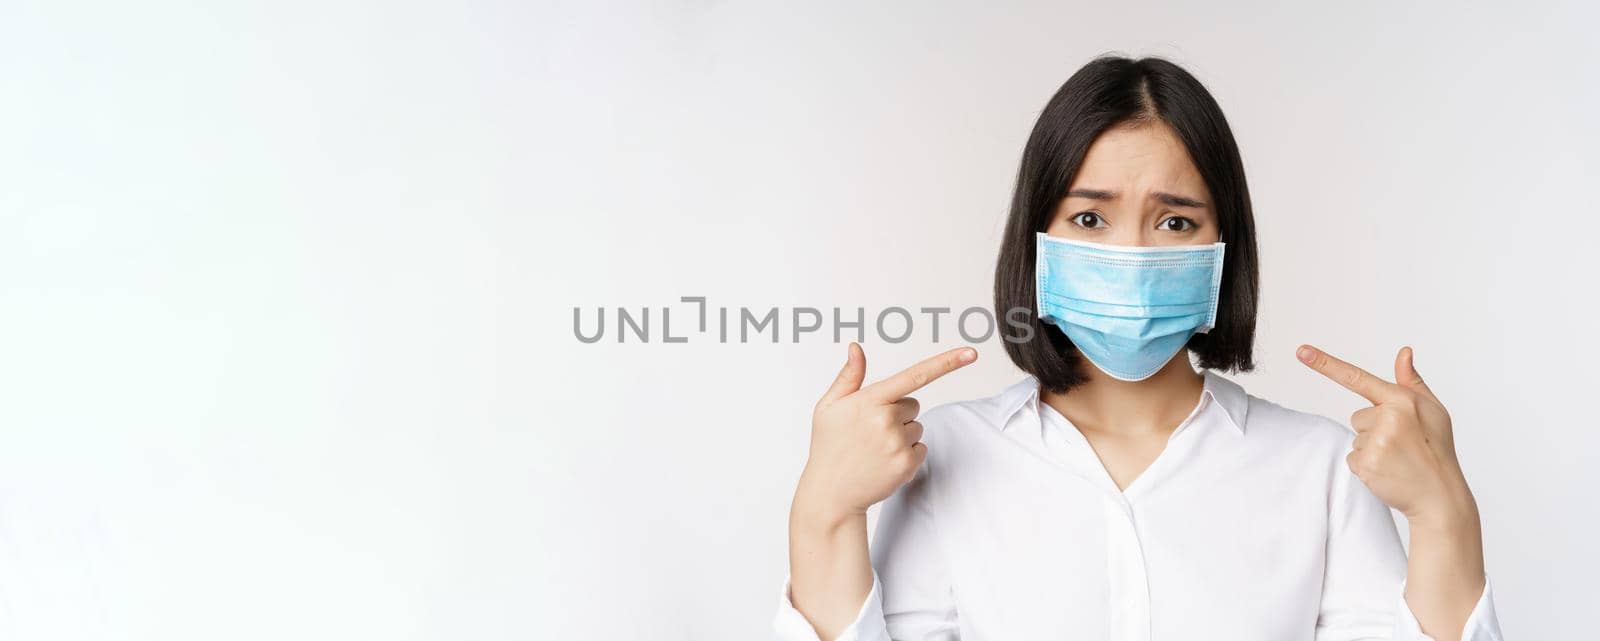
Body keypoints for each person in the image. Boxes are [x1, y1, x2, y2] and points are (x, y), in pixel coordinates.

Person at [775, 56, 1501, 641]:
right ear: (1040, 241)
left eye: (1175, 223)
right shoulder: (944, 458)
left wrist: (1446, 516)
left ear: (1223, 247)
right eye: (1090, 217)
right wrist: (822, 515)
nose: (1131, 253)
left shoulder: (1320, 472)